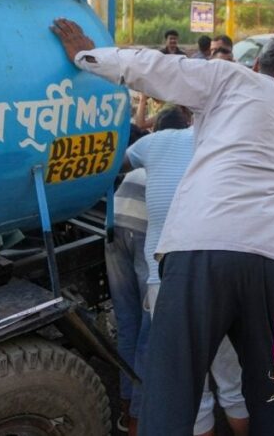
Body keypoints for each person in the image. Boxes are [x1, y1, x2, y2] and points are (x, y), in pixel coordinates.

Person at [49, 21, 274, 435]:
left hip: (202, 246)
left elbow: (157, 68)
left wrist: (86, 57)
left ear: (255, 64)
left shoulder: (232, 77)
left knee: (172, 389)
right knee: (272, 390)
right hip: (272, 259)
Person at [125, 107, 249, 436]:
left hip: (164, 280)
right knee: (231, 379)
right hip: (218, 276)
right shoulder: (232, 145)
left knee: (191, 386)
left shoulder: (154, 143)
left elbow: (120, 165)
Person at [106, 167, 151, 435]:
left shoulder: (144, 159)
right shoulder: (186, 158)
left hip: (112, 228)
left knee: (127, 324)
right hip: (143, 232)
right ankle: (137, 419)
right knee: (148, 332)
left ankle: (125, 407)